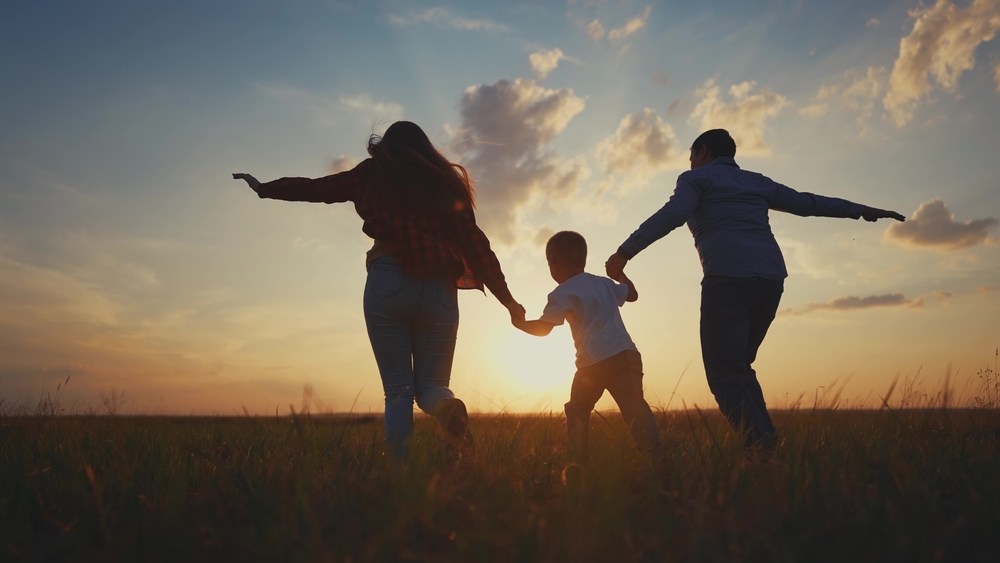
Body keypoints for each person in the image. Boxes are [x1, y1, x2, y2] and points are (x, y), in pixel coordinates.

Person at [233, 121, 525, 461]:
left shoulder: (373, 173)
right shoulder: (447, 184)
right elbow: (477, 245)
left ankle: (402, 474)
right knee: (432, 387)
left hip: (389, 278)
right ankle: (448, 409)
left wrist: (265, 187)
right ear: (426, 148)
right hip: (440, 290)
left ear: (386, 146)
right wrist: (509, 302)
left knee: (398, 391)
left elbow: (317, 188)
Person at [605, 129, 905, 457]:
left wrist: (625, 251)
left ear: (703, 152)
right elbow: (808, 203)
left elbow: (675, 213)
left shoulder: (697, 179)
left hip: (729, 278)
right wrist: (860, 209)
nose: (690, 164)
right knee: (740, 367)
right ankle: (769, 448)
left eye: (691, 157)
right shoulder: (757, 181)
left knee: (723, 373)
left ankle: (760, 449)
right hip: (770, 279)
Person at [511, 231, 662, 463]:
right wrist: (620, 274)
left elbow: (544, 328)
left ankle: (578, 463)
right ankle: (656, 461)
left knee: (578, 410)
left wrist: (519, 323)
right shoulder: (603, 283)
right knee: (635, 410)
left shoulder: (561, 293)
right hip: (627, 354)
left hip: (594, 362)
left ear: (554, 265)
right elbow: (632, 294)